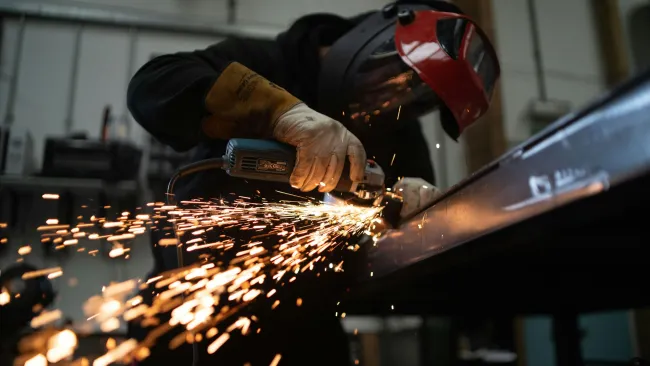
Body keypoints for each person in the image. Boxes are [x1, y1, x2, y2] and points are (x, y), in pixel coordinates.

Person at [126, 0, 500, 364]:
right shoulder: (267, 62)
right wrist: (280, 112)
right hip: (190, 310)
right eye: (400, 81)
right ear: (378, 37)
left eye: (420, 99)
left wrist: (413, 217)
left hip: (304, 324)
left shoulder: (397, 126)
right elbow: (152, 84)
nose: (396, 101)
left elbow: (397, 250)